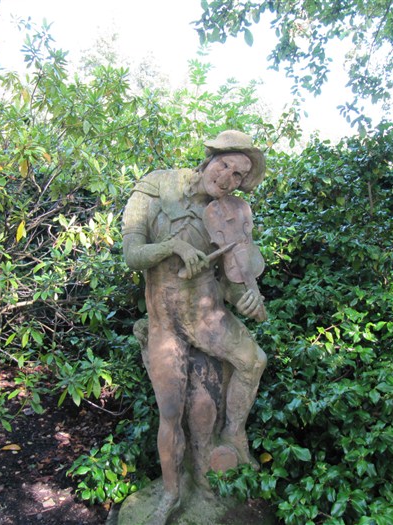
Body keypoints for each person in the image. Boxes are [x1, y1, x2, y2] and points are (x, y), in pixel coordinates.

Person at [122, 130, 268, 524]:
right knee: (170, 412)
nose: (227, 178)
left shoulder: (229, 214)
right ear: (209, 158)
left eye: (238, 175)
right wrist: (173, 246)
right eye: (225, 164)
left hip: (207, 316)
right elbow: (132, 255)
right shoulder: (157, 185)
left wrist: (246, 299)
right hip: (164, 321)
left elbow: (234, 282)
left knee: (254, 361)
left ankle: (234, 433)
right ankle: (171, 493)